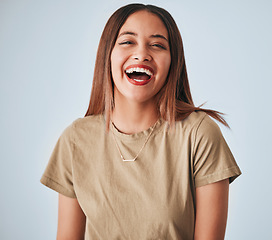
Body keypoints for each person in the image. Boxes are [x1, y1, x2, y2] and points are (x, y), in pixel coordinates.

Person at [41, 3, 241, 240]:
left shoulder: (199, 133)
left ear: (173, 63)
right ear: (108, 54)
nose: (142, 54)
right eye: (127, 41)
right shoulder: (75, 139)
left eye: (157, 45)